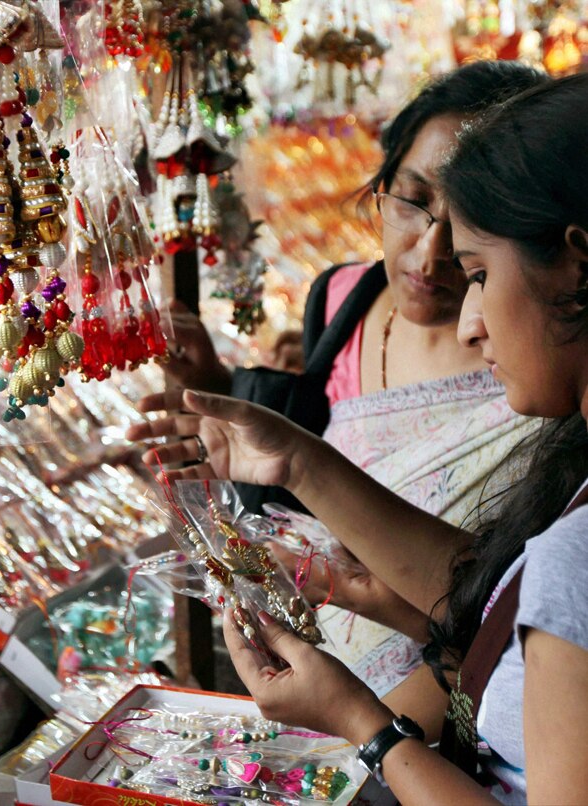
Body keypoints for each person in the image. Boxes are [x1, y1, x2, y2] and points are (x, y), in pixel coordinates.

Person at [142, 73, 588, 803]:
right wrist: (298, 465)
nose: (470, 321)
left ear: (576, 267)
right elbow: (489, 602)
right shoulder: (569, 509)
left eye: (478, 272)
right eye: (411, 201)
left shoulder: (575, 555)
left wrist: (362, 724)